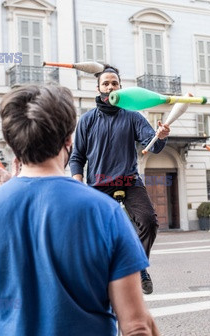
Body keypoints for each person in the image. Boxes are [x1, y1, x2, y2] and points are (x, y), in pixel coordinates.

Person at [0, 84, 162, 336]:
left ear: (12, 143)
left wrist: (11, 191)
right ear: (68, 140)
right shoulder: (106, 213)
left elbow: (4, 279)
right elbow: (137, 328)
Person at [69, 65, 171, 294]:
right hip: (98, 183)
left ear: (120, 88)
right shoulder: (86, 120)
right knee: (92, 232)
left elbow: (151, 145)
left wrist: (161, 136)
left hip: (129, 180)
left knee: (148, 221)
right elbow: (77, 157)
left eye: (114, 83)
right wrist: (77, 183)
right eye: (106, 83)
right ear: (98, 88)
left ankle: (139, 266)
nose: (110, 86)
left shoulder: (133, 116)